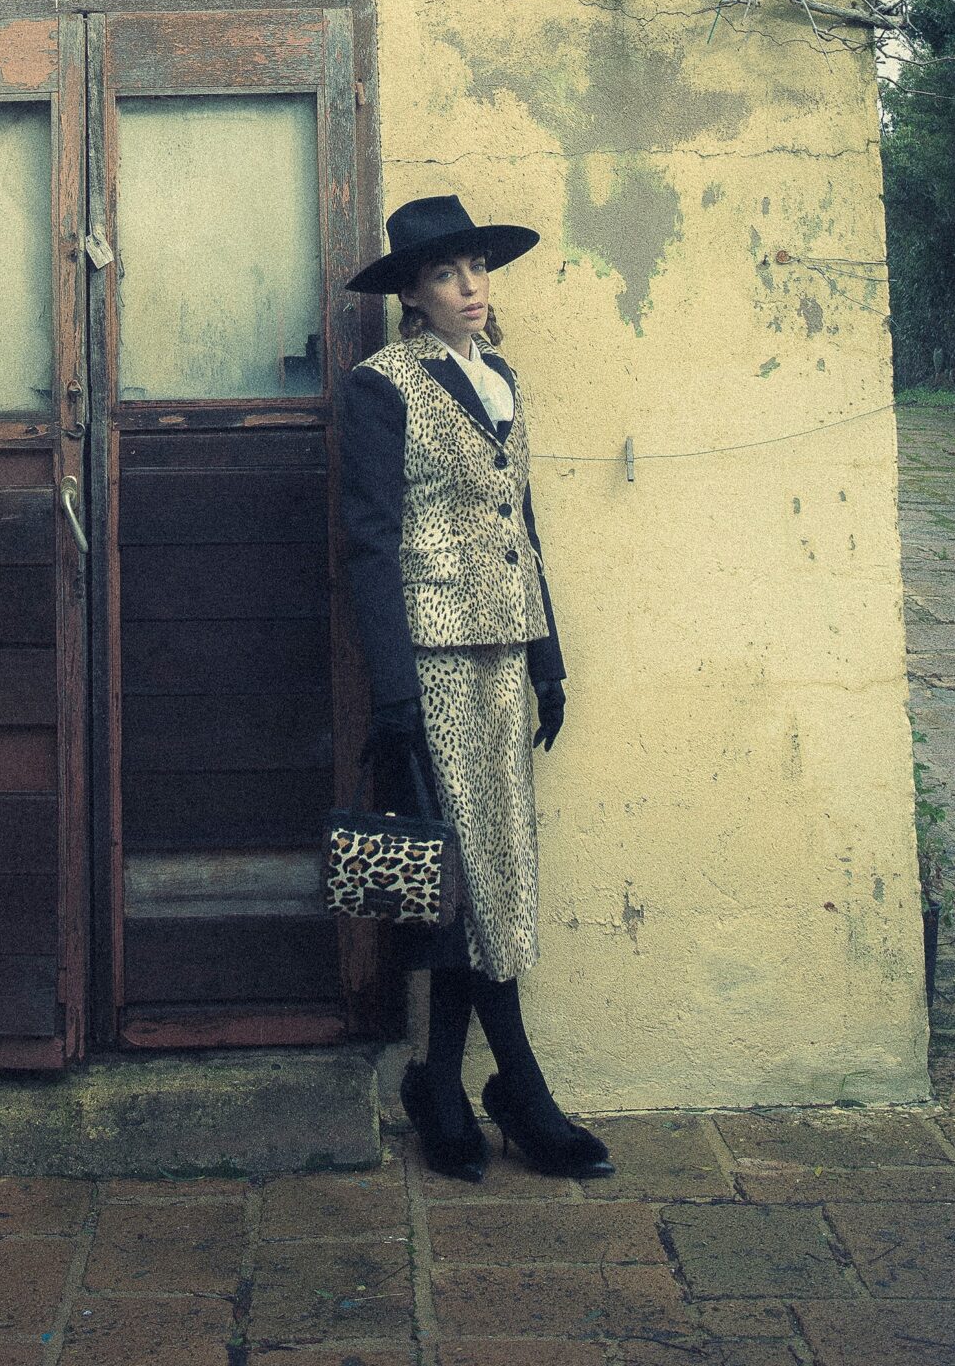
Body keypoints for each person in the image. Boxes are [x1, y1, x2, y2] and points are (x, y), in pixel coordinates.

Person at [339, 193, 613, 1181]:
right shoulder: (383, 387)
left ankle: (441, 1082)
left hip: (504, 655)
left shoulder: (501, 377)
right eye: (449, 274)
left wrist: (550, 658)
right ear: (412, 293)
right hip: (436, 659)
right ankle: (520, 1092)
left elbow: (522, 519)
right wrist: (394, 690)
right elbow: (369, 544)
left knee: (481, 878)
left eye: (478, 269)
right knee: (467, 881)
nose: (471, 287)